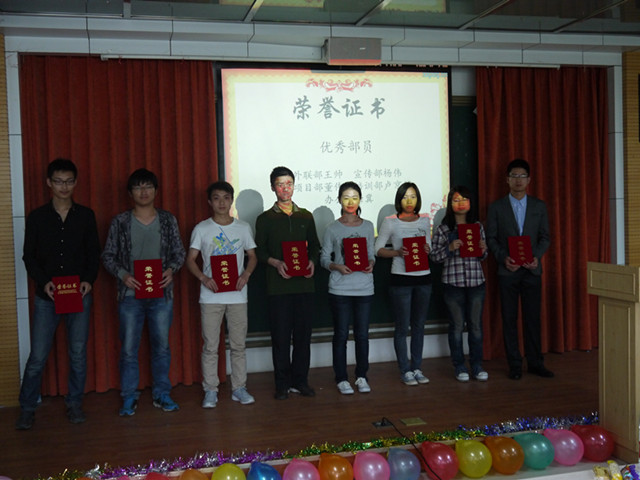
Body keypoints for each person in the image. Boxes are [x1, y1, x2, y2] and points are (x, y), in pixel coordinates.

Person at [16, 158, 101, 430]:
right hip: (47, 296)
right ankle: (27, 407)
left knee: (77, 353)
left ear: (75, 183)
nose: (64, 186)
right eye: (58, 181)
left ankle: (74, 403)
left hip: (79, 294)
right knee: (38, 355)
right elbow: (29, 256)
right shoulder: (37, 217)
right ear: (48, 183)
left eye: (69, 181)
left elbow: (94, 253)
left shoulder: (85, 215)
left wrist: (88, 280)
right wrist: (44, 283)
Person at [102, 168, 186, 416]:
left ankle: (162, 393)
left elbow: (179, 253)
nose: (143, 191)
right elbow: (107, 256)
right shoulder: (120, 222)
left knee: (162, 347)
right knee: (129, 348)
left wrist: (171, 270)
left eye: (148, 186)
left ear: (156, 191)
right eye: (138, 187)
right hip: (130, 297)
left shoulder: (168, 220)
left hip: (161, 294)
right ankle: (129, 396)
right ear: (130, 193)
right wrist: (123, 275)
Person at [186, 181, 257, 408]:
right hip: (211, 296)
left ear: (231, 200)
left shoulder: (243, 227)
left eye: (226, 198)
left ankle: (239, 388)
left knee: (238, 345)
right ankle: (210, 390)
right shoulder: (202, 229)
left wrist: (246, 274)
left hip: (237, 295)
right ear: (210, 202)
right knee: (210, 346)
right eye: (216, 198)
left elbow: (253, 256)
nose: (222, 203)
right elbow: (190, 259)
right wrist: (203, 278)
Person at [255, 166, 321, 400]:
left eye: (289, 183)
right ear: (273, 187)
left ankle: (301, 381)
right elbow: (259, 251)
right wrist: (275, 263)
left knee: (303, 338)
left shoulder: (306, 216)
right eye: (280, 184)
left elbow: (315, 246)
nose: (285, 188)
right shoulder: (265, 219)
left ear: (294, 186)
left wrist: (312, 261)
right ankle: (282, 384)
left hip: (304, 286)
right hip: (278, 287)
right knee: (281, 338)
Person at [486, 158, 552, 380]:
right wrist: (503, 258)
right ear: (507, 180)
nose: (518, 180)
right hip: (508, 271)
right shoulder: (497, 207)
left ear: (529, 180)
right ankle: (514, 364)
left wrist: (536, 257)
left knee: (533, 319)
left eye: (522, 176)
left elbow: (545, 237)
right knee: (509, 319)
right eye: (514, 176)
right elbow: (491, 238)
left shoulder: (539, 206)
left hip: (532, 270)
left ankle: (535, 363)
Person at [374, 182, 432, 386]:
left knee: (419, 326)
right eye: (405, 196)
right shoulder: (390, 221)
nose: (409, 201)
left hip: (424, 278)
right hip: (401, 279)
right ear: (399, 199)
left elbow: (429, 246)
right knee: (402, 327)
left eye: (413, 196)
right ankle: (405, 370)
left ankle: (417, 367)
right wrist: (397, 252)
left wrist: (427, 249)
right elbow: (377, 249)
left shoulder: (425, 220)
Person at [320, 182, 375, 395]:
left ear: (360, 199)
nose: (350, 202)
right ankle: (341, 378)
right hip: (340, 289)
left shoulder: (368, 226)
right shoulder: (332, 228)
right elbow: (324, 258)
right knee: (341, 335)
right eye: (346, 197)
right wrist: (337, 266)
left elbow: (371, 254)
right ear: (339, 200)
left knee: (362, 335)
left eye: (355, 197)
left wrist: (372, 263)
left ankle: (362, 376)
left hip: (364, 287)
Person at [431, 186, 489, 382]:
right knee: (456, 326)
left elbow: (483, 256)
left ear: (471, 203)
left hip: (476, 282)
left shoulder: (477, 226)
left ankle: (477, 365)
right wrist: (449, 248)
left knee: (475, 326)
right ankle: (459, 366)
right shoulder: (443, 228)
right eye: (456, 200)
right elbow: (434, 257)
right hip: (452, 283)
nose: (461, 203)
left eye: (464, 199)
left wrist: (483, 249)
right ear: (450, 204)